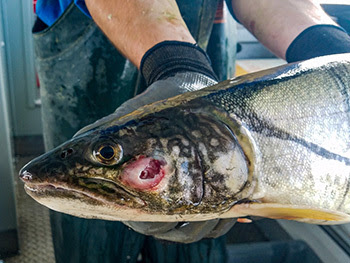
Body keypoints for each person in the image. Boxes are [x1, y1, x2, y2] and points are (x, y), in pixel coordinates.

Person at [32, 0, 350, 262]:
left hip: (208, 74)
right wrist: (176, 62)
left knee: (199, 239)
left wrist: (330, 49)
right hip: (89, 63)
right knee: (94, 248)